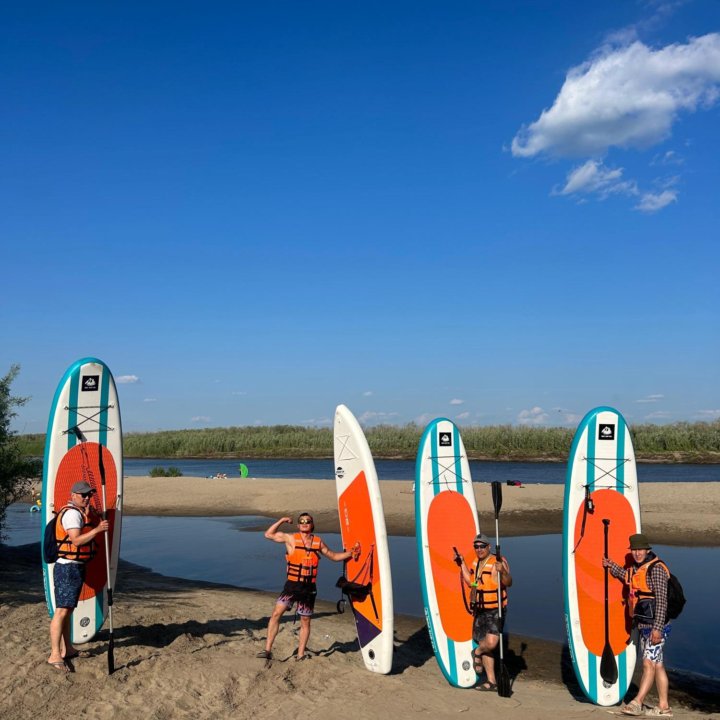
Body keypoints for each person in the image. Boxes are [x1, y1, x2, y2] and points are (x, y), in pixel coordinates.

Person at [258, 514, 359, 662]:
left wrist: (351, 553)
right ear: (298, 526)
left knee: (305, 620)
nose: (305, 523)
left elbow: (334, 556)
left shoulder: (318, 542)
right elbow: (268, 534)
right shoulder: (291, 538)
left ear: (312, 525)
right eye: (302, 522)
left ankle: (300, 654)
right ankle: (267, 650)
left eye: (308, 521)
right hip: (291, 586)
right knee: (276, 614)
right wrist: (281, 521)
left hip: (308, 587)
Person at [603, 533, 673, 717]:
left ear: (647, 550)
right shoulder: (636, 569)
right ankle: (664, 707)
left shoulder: (656, 569)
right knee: (657, 665)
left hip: (657, 627)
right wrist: (611, 566)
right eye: (634, 550)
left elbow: (662, 601)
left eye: (640, 549)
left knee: (648, 663)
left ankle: (637, 702)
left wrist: (657, 628)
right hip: (644, 624)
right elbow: (625, 576)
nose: (637, 553)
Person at [47, 480, 109, 673]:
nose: (87, 497)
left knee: (68, 611)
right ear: (73, 495)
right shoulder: (72, 514)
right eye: (83, 495)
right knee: (62, 611)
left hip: (74, 567)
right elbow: (75, 541)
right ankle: (54, 655)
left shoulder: (79, 513)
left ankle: (68, 649)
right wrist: (98, 529)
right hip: (68, 568)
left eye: (89, 494)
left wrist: (93, 518)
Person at [457, 533, 512, 691]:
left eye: (482, 546)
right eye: (476, 546)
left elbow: (510, 582)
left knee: (491, 643)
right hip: (480, 609)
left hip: (496, 609)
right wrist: (462, 563)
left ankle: (476, 652)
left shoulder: (498, 562)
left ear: (489, 547)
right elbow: (471, 582)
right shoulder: (476, 562)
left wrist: (504, 572)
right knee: (484, 643)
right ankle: (491, 681)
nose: (479, 549)